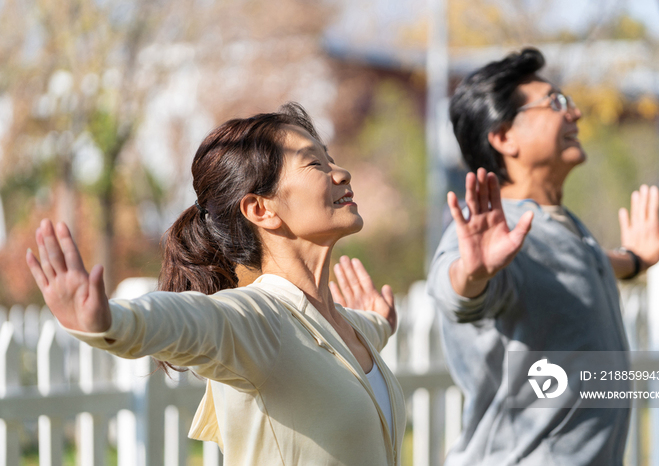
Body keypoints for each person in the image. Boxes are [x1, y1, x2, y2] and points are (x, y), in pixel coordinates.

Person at [26, 103, 406, 466]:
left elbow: (352, 339)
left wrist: (381, 321)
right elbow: (189, 318)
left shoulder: (349, 328)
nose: (341, 173)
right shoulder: (260, 321)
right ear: (261, 209)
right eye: (315, 163)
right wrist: (109, 322)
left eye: (331, 158)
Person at [426, 48, 659, 465]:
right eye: (556, 102)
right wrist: (470, 274)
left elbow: (582, 263)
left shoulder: (565, 227)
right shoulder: (496, 234)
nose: (575, 114)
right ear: (505, 137)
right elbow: (454, 290)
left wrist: (633, 259)